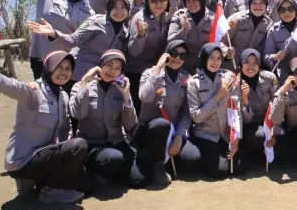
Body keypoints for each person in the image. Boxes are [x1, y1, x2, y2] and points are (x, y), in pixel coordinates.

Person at [0, 50, 87, 204]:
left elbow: (65, 132)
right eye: (59, 67)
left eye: (68, 68)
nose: (63, 72)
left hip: (44, 155)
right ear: (48, 67)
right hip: (23, 160)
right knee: (79, 145)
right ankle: (51, 192)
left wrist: (71, 159)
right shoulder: (33, 91)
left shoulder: (63, 96)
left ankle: (36, 182)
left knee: (86, 180)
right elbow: (9, 85)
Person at [70, 50, 149, 188]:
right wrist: (83, 83)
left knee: (139, 180)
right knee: (113, 158)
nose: (112, 71)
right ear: (100, 65)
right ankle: (95, 172)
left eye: (118, 68)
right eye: (109, 65)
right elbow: (77, 114)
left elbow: (131, 125)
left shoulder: (121, 89)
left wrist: (126, 97)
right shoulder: (81, 86)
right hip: (93, 145)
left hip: (117, 142)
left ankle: (112, 171)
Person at [28, 0, 130, 83]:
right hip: (79, 74)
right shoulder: (96, 21)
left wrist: (120, 78)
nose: (119, 11)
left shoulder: (125, 32)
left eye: (123, 7)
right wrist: (54, 34)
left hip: (100, 78)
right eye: (115, 7)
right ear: (108, 8)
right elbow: (73, 40)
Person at [137, 40, 201, 181]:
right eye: (173, 53)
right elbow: (145, 97)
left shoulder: (186, 78)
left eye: (183, 56)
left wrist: (179, 136)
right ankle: (158, 166)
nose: (177, 58)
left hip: (174, 130)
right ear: (166, 54)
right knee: (161, 125)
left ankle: (167, 158)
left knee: (192, 158)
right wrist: (158, 68)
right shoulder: (150, 73)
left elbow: (186, 112)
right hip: (152, 131)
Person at [186, 43, 244, 178]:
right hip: (206, 134)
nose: (215, 62)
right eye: (211, 57)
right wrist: (219, 94)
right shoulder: (193, 83)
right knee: (219, 171)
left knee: (240, 166)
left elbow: (237, 110)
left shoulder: (229, 77)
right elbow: (196, 117)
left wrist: (236, 139)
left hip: (225, 134)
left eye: (219, 58)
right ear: (204, 58)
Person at [126, 0, 171, 110]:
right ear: (147, 2)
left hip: (156, 69)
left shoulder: (165, 16)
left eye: (162, 0)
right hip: (138, 72)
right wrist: (141, 35)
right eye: (154, 0)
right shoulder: (140, 19)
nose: (159, 4)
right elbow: (133, 51)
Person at [237, 49, 280, 166]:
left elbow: (277, 106)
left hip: (269, 122)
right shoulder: (236, 83)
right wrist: (244, 99)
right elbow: (245, 120)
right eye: (247, 62)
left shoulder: (270, 78)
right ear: (241, 64)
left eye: (255, 62)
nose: (251, 66)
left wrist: (274, 132)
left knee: (284, 149)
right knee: (259, 136)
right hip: (249, 125)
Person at [167, 0, 217, 74]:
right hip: (182, 67)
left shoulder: (213, 19)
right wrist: (183, 31)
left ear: (202, 0)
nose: (191, 3)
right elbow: (170, 41)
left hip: (206, 66)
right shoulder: (179, 16)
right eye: (188, 0)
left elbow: (219, 42)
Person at [227, 0, 273, 66]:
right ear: (249, 5)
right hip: (232, 64)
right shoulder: (235, 19)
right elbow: (221, 40)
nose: (258, 6)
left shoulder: (269, 24)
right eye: (254, 3)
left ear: (266, 6)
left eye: (261, 3)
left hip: (253, 67)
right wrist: (226, 51)